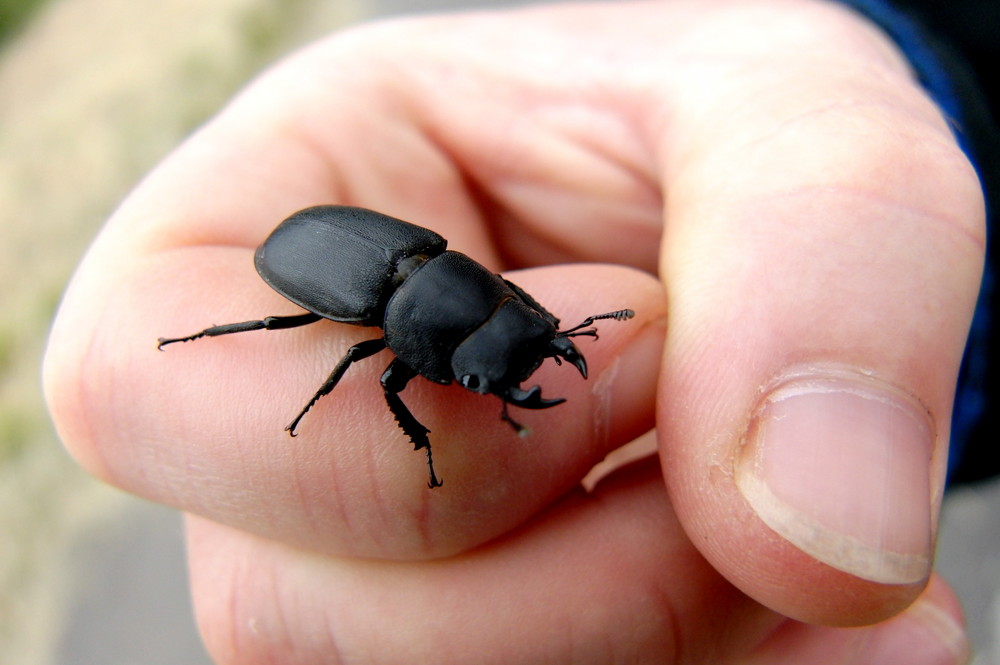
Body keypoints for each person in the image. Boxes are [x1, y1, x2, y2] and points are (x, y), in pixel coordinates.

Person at [43, 0, 994, 662]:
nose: (519, 336)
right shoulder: (387, 323)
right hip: (311, 262)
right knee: (349, 381)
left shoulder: (452, 274)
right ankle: (209, 338)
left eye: (520, 318)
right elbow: (363, 376)